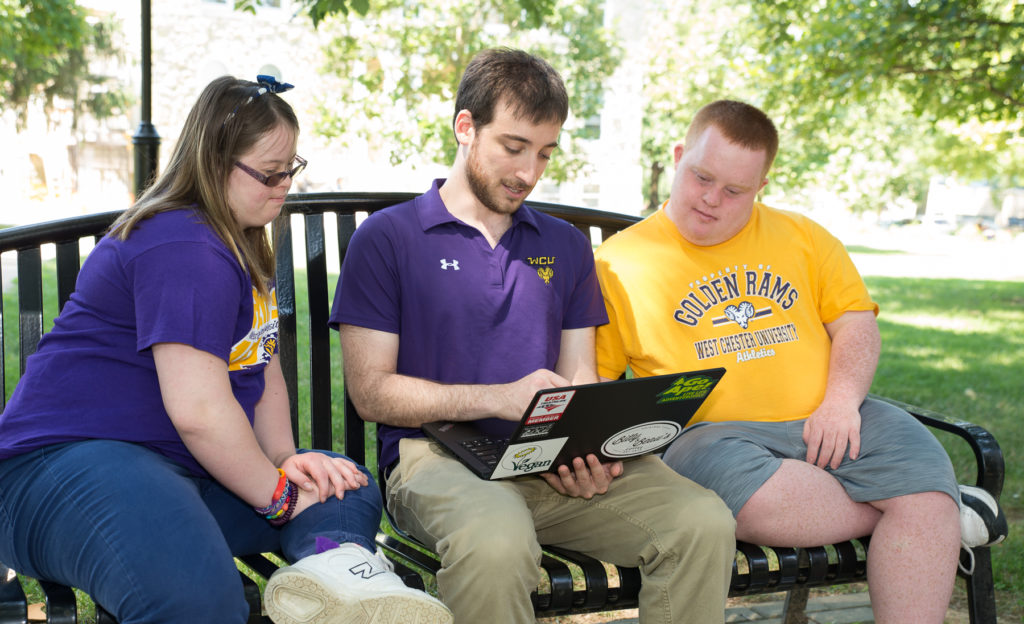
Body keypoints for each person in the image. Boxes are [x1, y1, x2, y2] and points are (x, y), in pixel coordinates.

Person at [0, 75, 451, 624]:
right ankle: (328, 569)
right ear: (214, 165)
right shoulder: (184, 244)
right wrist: (281, 497)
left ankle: (329, 583)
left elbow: (261, 371)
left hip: (180, 472)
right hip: (70, 464)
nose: (285, 184)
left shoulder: (242, 240)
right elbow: (200, 413)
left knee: (340, 484)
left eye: (292, 167)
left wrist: (287, 462)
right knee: (199, 605)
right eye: (269, 173)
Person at [329, 47, 736, 624]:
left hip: (549, 459)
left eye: (545, 153)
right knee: (496, 540)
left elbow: (579, 374)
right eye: (514, 148)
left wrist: (585, 445)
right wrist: (495, 397)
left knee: (702, 522)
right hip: (438, 458)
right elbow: (371, 393)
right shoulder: (389, 239)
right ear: (465, 128)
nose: (529, 173)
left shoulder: (565, 245)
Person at [594, 99, 962, 623]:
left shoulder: (804, 237)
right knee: (921, 502)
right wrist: (909, 507)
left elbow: (856, 325)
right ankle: (912, 509)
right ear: (678, 156)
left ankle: (919, 505)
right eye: (701, 177)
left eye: (735, 190)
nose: (711, 199)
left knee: (925, 463)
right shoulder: (617, 264)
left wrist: (841, 402)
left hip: (834, 419)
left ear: (761, 185)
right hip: (711, 439)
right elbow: (599, 382)